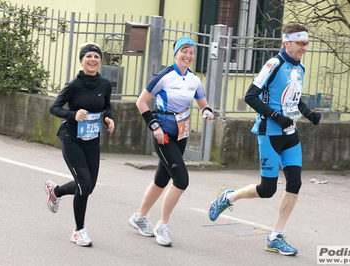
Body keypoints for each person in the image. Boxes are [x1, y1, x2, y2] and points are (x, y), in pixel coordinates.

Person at [208, 23, 321, 256]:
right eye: (301, 43)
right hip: (269, 133)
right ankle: (229, 197)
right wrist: (276, 117)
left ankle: (275, 237)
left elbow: (293, 98)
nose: (304, 48)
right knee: (267, 189)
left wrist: (308, 114)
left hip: (290, 134)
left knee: (295, 184)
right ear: (287, 42)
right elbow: (250, 96)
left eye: (306, 43)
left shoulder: (300, 68)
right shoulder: (273, 64)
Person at [129, 36, 214, 246]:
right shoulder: (164, 77)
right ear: (176, 53)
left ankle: (139, 217)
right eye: (183, 51)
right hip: (163, 133)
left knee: (161, 179)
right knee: (181, 180)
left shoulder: (194, 79)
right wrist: (154, 126)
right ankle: (163, 225)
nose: (187, 56)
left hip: (181, 134)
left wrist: (207, 112)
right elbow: (141, 102)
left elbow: (203, 104)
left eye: (191, 52)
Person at [45, 43, 115, 247]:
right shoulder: (74, 85)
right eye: (89, 56)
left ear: (100, 61)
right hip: (71, 138)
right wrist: (73, 115)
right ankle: (79, 231)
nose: (93, 60)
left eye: (96, 56)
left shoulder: (105, 84)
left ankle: (56, 191)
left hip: (92, 139)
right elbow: (54, 107)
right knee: (84, 184)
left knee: (88, 186)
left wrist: (109, 119)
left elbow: (107, 106)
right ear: (82, 60)